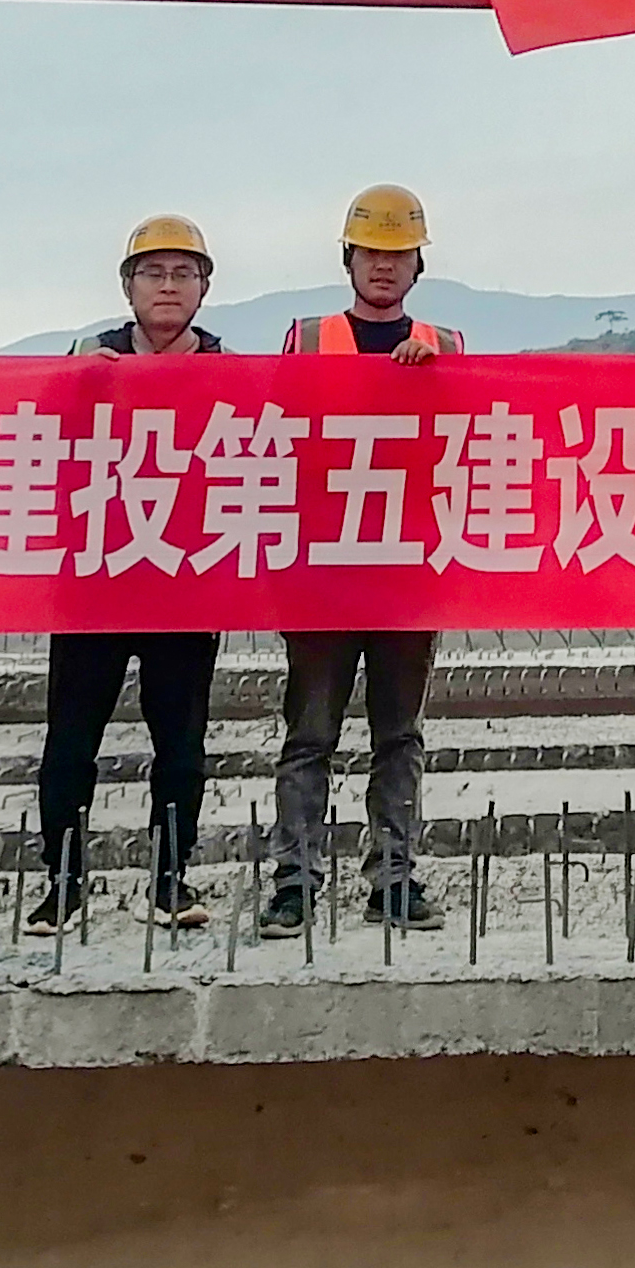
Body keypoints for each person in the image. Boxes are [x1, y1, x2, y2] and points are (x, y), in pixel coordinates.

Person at [29, 212, 232, 937]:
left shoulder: (229, 368)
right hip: (94, 580)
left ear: (205, 289)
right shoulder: (88, 356)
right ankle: (61, 881)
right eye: (155, 272)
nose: (169, 286)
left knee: (180, 745)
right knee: (70, 741)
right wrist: (80, 388)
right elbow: (39, 447)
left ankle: (170, 880)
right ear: (128, 285)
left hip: (186, 581)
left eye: (184, 274)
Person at [266, 186, 462, 934]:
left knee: (398, 735)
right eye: (371, 253)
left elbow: (470, 447)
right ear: (348, 259)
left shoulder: (446, 349)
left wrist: (431, 382)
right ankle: (295, 880)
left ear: (418, 266)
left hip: (407, 573)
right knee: (309, 733)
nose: (384, 266)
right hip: (322, 571)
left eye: (398, 254)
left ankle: (395, 878)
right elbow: (279, 431)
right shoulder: (308, 337)